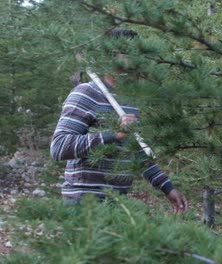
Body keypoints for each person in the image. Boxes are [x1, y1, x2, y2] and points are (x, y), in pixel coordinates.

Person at [50, 28, 188, 213]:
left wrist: (167, 187)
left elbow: (136, 149)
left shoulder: (130, 99)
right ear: (110, 54)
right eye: (127, 49)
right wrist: (114, 133)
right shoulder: (86, 93)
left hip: (119, 203)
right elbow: (59, 148)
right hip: (83, 203)